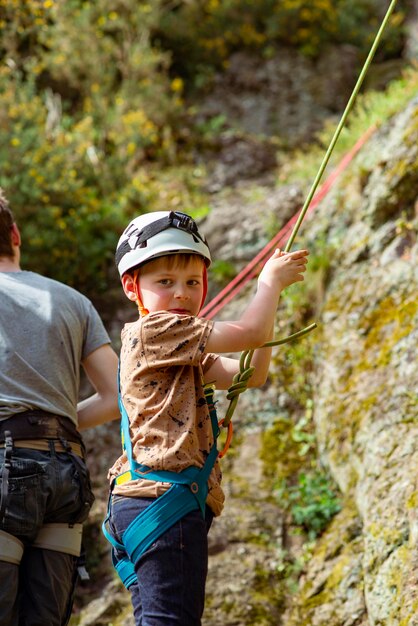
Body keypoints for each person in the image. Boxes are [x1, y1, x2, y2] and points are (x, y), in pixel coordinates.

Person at [104, 210, 308, 625]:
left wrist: (271, 302)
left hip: (149, 504)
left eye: (192, 283)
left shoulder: (183, 350)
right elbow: (249, 333)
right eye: (165, 282)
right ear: (132, 287)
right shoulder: (156, 331)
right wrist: (267, 285)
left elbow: (252, 374)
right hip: (162, 502)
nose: (181, 294)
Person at [0, 187, 120, 626]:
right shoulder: (73, 301)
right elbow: (118, 397)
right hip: (66, 469)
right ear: (15, 234)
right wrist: (59, 421)